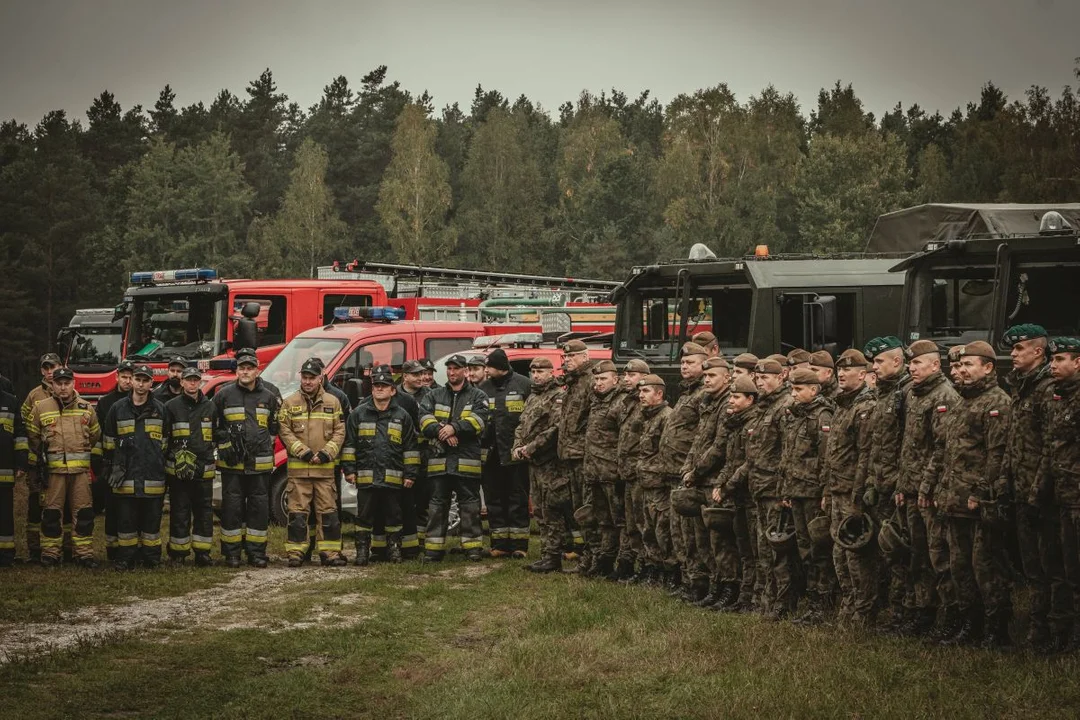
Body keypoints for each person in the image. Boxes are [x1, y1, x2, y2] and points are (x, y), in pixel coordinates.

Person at [938, 340, 1011, 647]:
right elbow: (950, 452)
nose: (963, 371)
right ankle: (972, 624)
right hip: (954, 498)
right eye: (961, 365)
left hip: (980, 502)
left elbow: (998, 456)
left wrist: (981, 493)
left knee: (986, 567)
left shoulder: (997, 403)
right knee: (960, 566)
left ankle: (997, 630)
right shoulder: (962, 401)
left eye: (970, 365)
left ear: (988, 367)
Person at [1000, 324, 1065, 652]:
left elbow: (1051, 446)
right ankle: (1038, 629)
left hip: (1042, 495)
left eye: (1019, 349)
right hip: (1021, 491)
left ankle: (1054, 632)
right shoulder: (1021, 387)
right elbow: (1015, 442)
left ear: (1038, 351)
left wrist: (1038, 492)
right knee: (1032, 567)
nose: (1012, 354)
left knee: (1051, 566)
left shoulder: (1048, 387)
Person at [897, 340, 960, 638]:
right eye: (910, 363)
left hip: (931, 493)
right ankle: (924, 612)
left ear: (935, 365)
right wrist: (903, 484)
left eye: (917, 363)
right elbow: (907, 445)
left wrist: (925, 487)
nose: (911, 368)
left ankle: (951, 616)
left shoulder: (944, 395)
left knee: (939, 556)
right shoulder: (912, 393)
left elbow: (941, 448)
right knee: (917, 555)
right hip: (911, 489)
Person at [728, 358, 792, 618]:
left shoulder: (784, 407)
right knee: (762, 550)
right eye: (759, 377)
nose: (761, 381)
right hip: (758, 488)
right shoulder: (764, 408)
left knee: (777, 551)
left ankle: (781, 603)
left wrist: (784, 490)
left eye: (766, 377)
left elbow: (789, 452)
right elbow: (754, 455)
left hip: (774, 490)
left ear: (781, 377)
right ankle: (765, 600)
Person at [822, 349, 876, 625]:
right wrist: (828, 491)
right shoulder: (843, 405)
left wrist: (857, 498)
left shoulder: (864, 407)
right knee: (839, 552)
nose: (841, 374)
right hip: (837, 489)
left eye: (848, 370)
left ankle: (863, 611)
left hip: (852, 493)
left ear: (863, 375)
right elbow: (834, 455)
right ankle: (849, 604)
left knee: (856, 554)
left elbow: (865, 456)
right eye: (840, 370)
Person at [344, 365, 419, 564]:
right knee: (363, 518)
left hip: (393, 478)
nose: (379, 388)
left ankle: (394, 551)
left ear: (393, 390)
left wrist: (410, 474)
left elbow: (410, 448)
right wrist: (349, 470)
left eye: (384, 386)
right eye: (376, 385)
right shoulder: (358, 414)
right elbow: (349, 445)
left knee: (394, 517)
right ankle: (362, 553)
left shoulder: (402, 416)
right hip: (366, 478)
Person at [213, 348, 281, 568]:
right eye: (241, 368)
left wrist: (262, 445)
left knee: (258, 510)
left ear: (257, 370)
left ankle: (256, 553)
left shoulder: (269, 397)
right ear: (237, 371)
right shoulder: (223, 394)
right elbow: (214, 426)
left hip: (259, 466)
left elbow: (274, 428)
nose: (245, 371)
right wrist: (225, 443)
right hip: (231, 465)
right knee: (232, 509)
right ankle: (232, 554)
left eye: (249, 368)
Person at [27, 367, 101, 568]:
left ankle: (83, 555)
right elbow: (32, 436)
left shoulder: (87, 408)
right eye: (58, 383)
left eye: (66, 383)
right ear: (52, 384)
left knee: (84, 514)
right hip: (53, 474)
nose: (62, 387)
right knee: (52, 514)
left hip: (80, 474)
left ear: (73, 383)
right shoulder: (41, 408)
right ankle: (51, 554)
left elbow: (95, 435)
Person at [419, 354, 489, 562]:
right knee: (437, 506)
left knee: (470, 506)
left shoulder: (478, 395)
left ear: (465, 371)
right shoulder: (434, 395)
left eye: (456, 369)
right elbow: (423, 418)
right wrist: (443, 430)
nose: (451, 372)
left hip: (466, 461)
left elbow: (479, 421)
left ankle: (473, 548)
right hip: (439, 461)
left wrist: (454, 428)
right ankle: (433, 550)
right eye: (449, 369)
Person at [862, 336, 912, 631]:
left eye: (879, 361)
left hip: (898, 487)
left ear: (897, 361)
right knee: (886, 551)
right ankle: (894, 611)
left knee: (900, 553)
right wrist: (871, 481)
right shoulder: (884, 393)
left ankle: (905, 613)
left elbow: (910, 446)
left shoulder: (906, 393)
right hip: (881, 485)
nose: (874, 367)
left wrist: (900, 485)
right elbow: (877, 445)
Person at [778, 367, 834, 624]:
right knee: (804, 549)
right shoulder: (795, 416)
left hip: (812, 493)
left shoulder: (822, 415)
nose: (794, 394)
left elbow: (826, 459)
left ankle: (823, 603)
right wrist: (786, 490)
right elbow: (789, 456)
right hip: (797, 491)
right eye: (792, 389)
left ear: (814, 389)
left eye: (798, 389)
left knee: (818, 549)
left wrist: (825, 492)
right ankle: (812, 600)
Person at [278, 358, 346, 567]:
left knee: (328, 514)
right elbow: (284, 430)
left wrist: (327, 453)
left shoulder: (333, 402)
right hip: (299, 472)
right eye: (304, 377)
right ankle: (296, 553)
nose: (307, 382)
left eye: (312, 378)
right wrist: (303, 452)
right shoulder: (289, 403)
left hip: (325, 471)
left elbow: (340, 431)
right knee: (297, 513)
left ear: (320, 378)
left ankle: (330, 553)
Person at [102, 365, 168, 570]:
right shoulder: (117, 409)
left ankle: (151, 558)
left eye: (145, 380)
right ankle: (125, 558)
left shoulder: (161, 410)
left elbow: (166, 444)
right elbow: (107, 442)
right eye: (137, 379)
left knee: (151, 524)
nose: (140, 384)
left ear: (151, 384)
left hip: (153, 477)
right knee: (126, 523)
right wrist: (113, 466)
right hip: (126, 478)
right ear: (131, 381)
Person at [659, 342, 710, 602]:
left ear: (704, 363)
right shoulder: (687, 392)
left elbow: (702, 436)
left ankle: (699, 582)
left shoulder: (703, 393)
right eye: (683, 362)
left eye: (690, 362)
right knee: (678, 533)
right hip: (673, 470)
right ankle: (687, 577)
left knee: (692, 535)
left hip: (688, 471)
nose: (684, 366)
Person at [681, 356, 732, 606]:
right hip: (700, 479)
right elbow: (699, 440)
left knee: (719, 542)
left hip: (713, 480)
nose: (707, 380)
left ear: (727, 377)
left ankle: (726, 589)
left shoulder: (727, 404)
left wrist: (697, 471)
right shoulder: (707, 402)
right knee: (702, 541)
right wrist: (687, 468)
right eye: (706, 376)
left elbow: (719, 446)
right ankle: (712, 586)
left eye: (712, 376)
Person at [712, 375, 761, 611]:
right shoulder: (736, 423)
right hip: (738, 494)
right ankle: (744, 598)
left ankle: (755, 599)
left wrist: (727, 487)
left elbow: (748, 463)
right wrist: (720, 482)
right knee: (744, 549)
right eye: (730, 396)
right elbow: (729, 460)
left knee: (755, 549)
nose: (730, 400)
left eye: (736, 396)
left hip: (749, 494)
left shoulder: (753, 424)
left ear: (750, 399)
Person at [513, 357, 565, 573]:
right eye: (533, 372)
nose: (536, 375)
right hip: (532, 462)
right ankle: (546, 554)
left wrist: (532, 447)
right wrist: (517, 445)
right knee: (540, 511)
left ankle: (554, 555)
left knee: (552, 509)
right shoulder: (534, 396)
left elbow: (555, 429)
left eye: (541, 372)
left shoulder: (557, 396)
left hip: (549, 461)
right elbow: (521, 425)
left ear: (551, 373)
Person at [1045, 337, 1080, 653]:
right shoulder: (1058, 397)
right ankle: (1066, 632)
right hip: (1061, 495)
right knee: (1066, 568)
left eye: (1060, 360)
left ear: (1077, 363)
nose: (1053, 365)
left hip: (1077, 497)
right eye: (1052, 360)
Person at [478, 349, 532, 558]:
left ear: (499, 367)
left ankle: (520, 546)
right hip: (492, 455)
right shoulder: (484, 388)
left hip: (515, 454)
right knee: (494, 500)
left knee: (517, 499)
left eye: (489, 367)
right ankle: (499, 544)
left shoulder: (523, 385)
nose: (486, 371)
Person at [163, 366, 217, 566]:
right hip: (179, 472)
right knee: (180, 511)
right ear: (182, 382)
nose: (192, 383)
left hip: (203, 469)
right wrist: (172, 459)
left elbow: (217, 435)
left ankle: (202, 553)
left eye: (196, 380)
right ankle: (178, 553)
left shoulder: (210, 407)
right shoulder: (171, 406)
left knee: (204, 512)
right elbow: (164, 438)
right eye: (189, 380)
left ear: (200, 382)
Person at [556, 340, 597, 567]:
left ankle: (593, 557)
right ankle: (586, 555)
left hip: (583, 455)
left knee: (587, 507)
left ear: (585, 356)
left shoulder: (591, 381)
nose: (567, 360)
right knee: (576, 506)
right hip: (569, 454)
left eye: (571, 357)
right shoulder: (573, 383)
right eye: (565, 357)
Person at [581, 359, 623, 577]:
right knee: (601, 520)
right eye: (596, 379)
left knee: (618, 521)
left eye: (603, 378)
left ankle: (619, 562)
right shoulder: (596, 401)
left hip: (611, 472)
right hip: (593, 471)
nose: (598, 383)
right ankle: (603, 560)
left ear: (615, 380)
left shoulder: (620, 402)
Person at [21, 352, 62, 563]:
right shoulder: (33, 395)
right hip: (37, 461)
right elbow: (25, 426)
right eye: (45, 368)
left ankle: (61, 547)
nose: (49, 372)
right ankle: (35, 549)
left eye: (52, 367)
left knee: (58, 504)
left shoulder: (68, 392)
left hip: (59, 460)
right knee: (35, 503)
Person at [613, 359, 651, 582]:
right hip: (625, 472)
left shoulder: (646, 405)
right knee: (628, 522)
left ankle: (646, 565)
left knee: (641, 522)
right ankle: (629, 562)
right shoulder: (627, 402)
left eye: (632, 375)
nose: (626, 379)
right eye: (625, 375)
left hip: (639, 473)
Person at [636, 374, 673, 585]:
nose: (641, 395)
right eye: (640, 391)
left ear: (659, 394)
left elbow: (666, 452)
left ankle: (669, 571)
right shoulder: (647, 416)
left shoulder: (666, 417)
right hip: (646, 481)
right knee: (648, 529)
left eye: (646, 391)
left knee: (663, 530)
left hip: (659, 483)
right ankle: (653, 567)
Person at [96, 359, 133, 560]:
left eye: (130, 377)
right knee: (112, 508)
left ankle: (130, 548)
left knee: (130, 508)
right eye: (124, 377)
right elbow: (101, 435)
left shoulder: (138, 401)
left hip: (134, 463)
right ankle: (112, 548)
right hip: (111, 463)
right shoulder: (105, 403)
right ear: (117, 377)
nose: (127, 381)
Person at [0, 384, 27, 567]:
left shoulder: (11, 401)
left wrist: (21, 462)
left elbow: (20, 435)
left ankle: (6, 555)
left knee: (5, 515)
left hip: (4, 470)